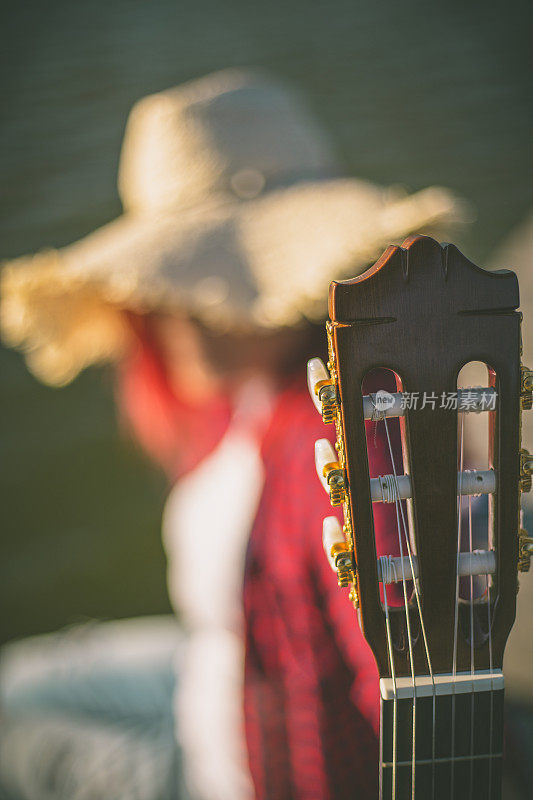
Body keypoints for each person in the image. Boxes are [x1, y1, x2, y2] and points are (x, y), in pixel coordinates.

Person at [0, 68, 462, 800]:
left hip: (238, 767)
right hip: (221, 664)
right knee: (16, 684)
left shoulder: (345, 444)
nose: (161, 307)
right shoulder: (246, 387)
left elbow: (419, 701)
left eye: (193, 280)